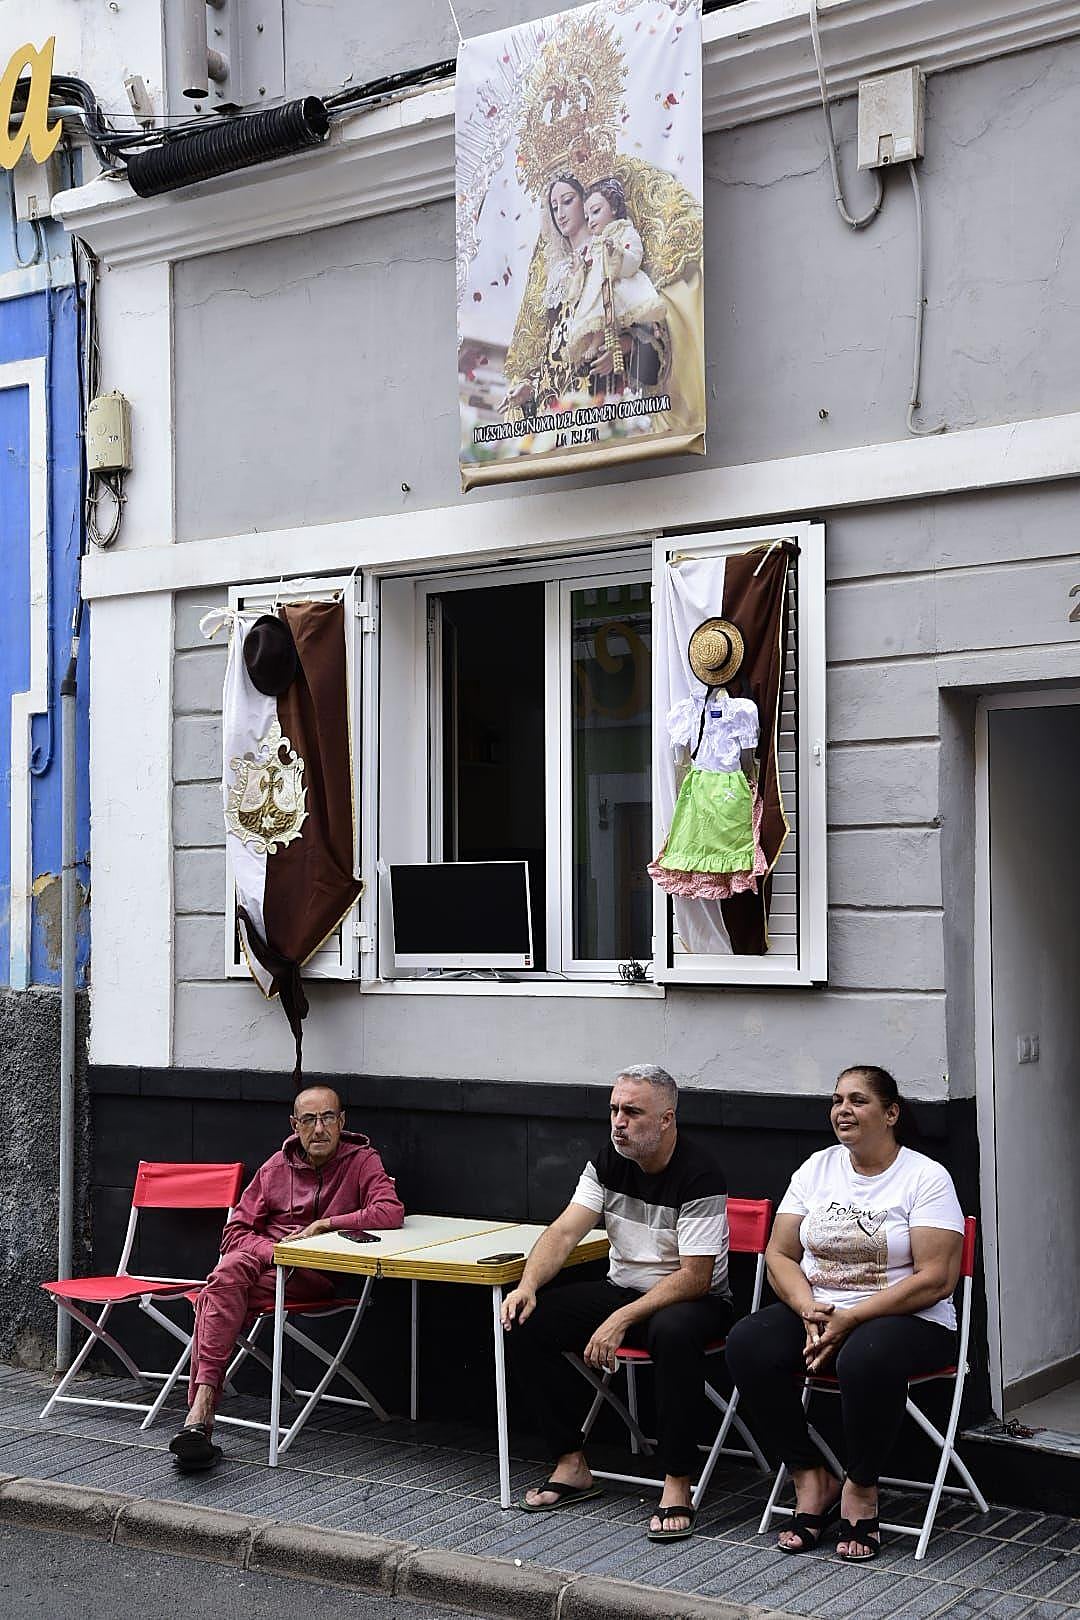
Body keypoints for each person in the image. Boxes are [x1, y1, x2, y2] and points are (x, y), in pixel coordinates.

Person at [725, 1065, 965, 1562]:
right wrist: (807, 1308)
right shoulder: (817, 1168)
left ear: (891, 1113)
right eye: (837, 1100)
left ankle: (861, 1486)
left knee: (864, 1357)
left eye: (857, 1100)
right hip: (821, 1309)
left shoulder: (925, 1177)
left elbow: (937, 1278)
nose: (842, 1110)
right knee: (749, 1342)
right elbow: (779, 1255)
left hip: (909, 1318)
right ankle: (811, 1476)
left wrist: (852, 1319)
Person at [501, 1064, 732, 1542]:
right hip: (622, 1290)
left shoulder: (700, 1173)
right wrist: (527, 1285)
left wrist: (620, 1319)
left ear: (666, 1119)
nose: (618, 1122)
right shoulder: (609, 1160)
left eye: (631, 1111)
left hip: (694, 1300)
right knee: (527, 1320)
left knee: (672, 1333)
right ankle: (571, 1464)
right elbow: (566, 1230)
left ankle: (677, 1483)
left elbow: (695, 1277)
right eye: (613, 1110)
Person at [168, 1085, 404, 1472]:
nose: (319, 1129)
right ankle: (199, 1414)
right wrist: (273, 1253)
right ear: (295, 1125)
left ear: (342, 1121)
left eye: (328, 1117)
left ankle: (202, 1412)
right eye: (309, 1120)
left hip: (313, 1277)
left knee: (219, 1290)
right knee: (227, 1275)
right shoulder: (276, 1167)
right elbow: (234, 1232)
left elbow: (389, 1211)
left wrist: (325, 1224)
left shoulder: (361, 1160)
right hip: (263, 1271)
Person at [566, 177, 667, 384]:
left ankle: (652, 325)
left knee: (639, 306)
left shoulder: (624, 231)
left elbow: (633, 261)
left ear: (613, 207)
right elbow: (582, 283)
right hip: (600, 291)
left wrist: (617, 253)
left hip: (622, 285)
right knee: (595, 313)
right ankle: (596, 340)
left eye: (596, 211)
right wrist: (578, 272)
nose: (591, 220)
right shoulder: (593, 245)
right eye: (587, 216)